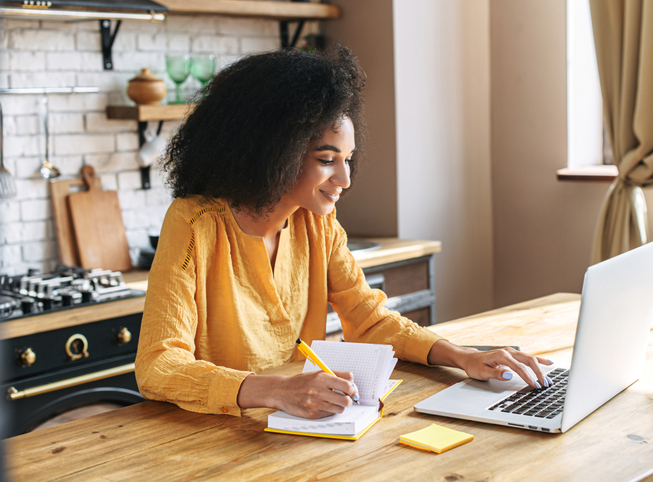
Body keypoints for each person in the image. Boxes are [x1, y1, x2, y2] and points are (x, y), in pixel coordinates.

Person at [135, 45, 552, 420]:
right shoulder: (193, 224)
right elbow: (158, 367)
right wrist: (278, 391)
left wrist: (463, 357)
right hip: (210, 436)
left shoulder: (316, 222)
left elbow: (369, 321)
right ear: (273, 151)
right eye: (327, 159)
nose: (345, 178)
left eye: (348, 159)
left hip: (302, 425)